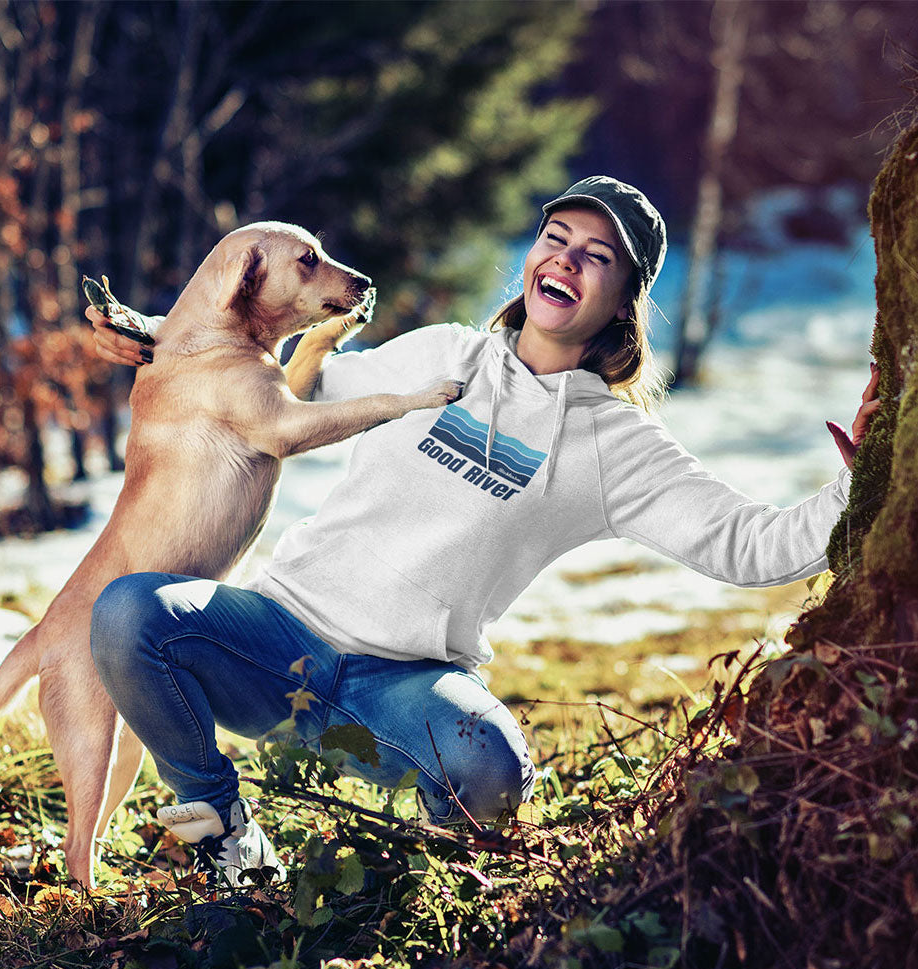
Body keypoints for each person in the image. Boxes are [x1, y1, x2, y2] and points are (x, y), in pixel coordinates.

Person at [87, 176, 880, 888]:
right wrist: (162, 340)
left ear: (624, 297)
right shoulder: (441, 351)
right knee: (129, 613)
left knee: (489, 761)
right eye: (555, 240)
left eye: (595, 256)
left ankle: (411, 879)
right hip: (272, 642)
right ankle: (225, 828)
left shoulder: (611, 446)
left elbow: (750, 546)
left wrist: (862, 475)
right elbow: (293, 382)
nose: (564, 262)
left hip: (399, 690)